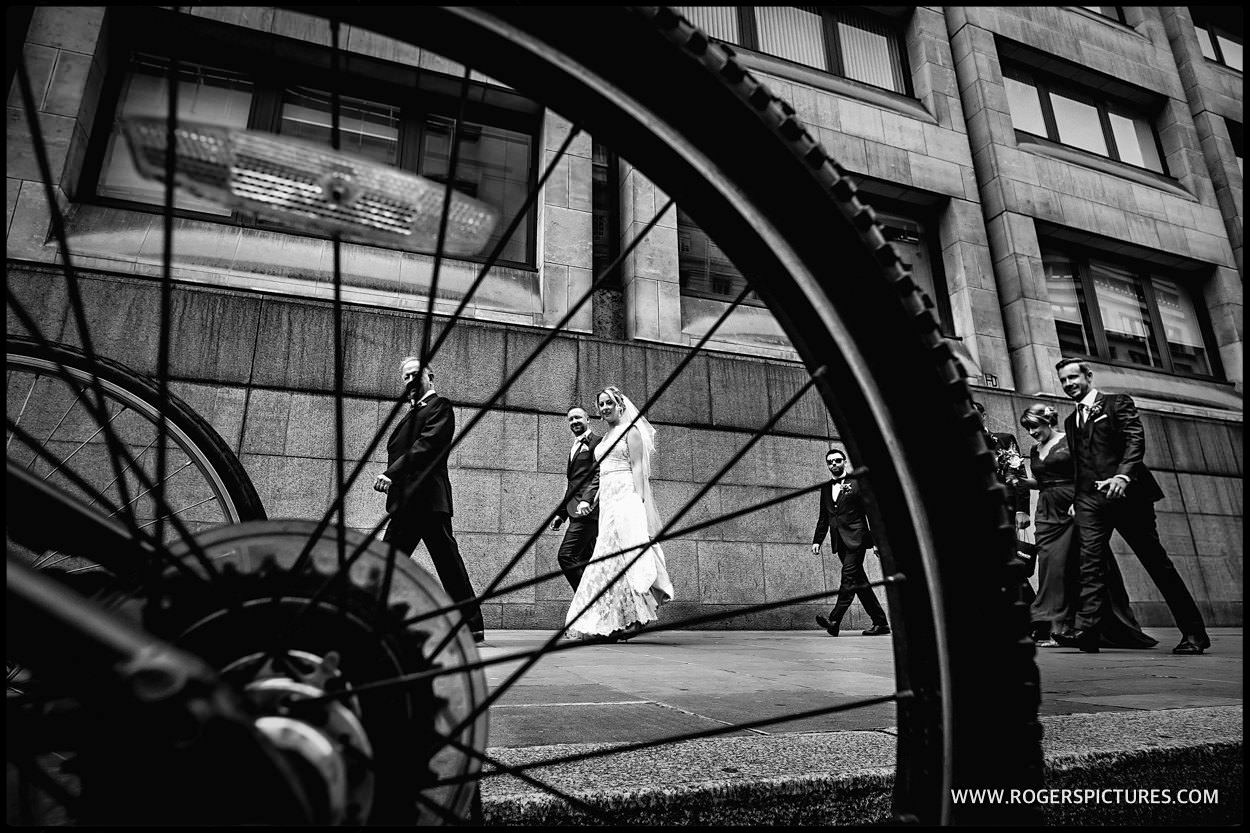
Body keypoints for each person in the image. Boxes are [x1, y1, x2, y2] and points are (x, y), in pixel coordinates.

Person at [1052, 358, 1209, 655]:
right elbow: (1080, 464)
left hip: (1129, 496)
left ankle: (1194, 633)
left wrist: (1123, 476)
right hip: (1090, 501)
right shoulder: (1071, 422)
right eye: (1063, 380)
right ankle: (1087, 630)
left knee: (1156, 562)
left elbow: (1134, 441)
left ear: (1088, 375)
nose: (1068, 384)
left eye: (1073, 377)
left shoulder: (1116, 403)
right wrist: (1077, 499)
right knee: (1090, 565)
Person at [1016, 403, 1156, 650]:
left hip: (1073, 504)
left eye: (1034, 426)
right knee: (1051, 564)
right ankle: (1052, 625)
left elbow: (1088, 472)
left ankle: (1078, 626)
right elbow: (1040, 482)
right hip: (1048, 511)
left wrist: (1081, 500)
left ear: (1048, 421)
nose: (1031, 433)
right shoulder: (1034, 449)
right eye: (1027, 429)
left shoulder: (1069, 440)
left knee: (1080, 564)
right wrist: (1018, 479)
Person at [374, 356, 484, 643]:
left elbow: (428, 446)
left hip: (428, 502)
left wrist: (392, 474)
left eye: (414, 375)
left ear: (430, 377)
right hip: (406, 504)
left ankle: (471, 624)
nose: (409, 381)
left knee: (448, 564)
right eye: (405, 378)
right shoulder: (410, 415)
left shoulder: (441, 407)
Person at [565, 386, 673, 640]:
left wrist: (639, 500)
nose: (604, 408)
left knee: (624, 555)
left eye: (609, 403)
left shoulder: (631, 432)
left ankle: (630, 616)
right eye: (601, 404)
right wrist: (592, 501)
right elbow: (601, 474)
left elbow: (638, 468)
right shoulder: (604, 438)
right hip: (608, 502)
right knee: (611, 559)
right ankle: (620, 618)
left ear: (620, 405)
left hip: (626, 497)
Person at [813, 448, 890, 637]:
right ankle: (881, 623)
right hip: (839, 541)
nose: (833, 464)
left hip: (857, 539)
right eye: (830, 462)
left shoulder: (857, 483)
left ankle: (834, 620)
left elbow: (870, 514)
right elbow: (824, 517)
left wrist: (875, 542)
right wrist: (817, 540)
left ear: (844, 462)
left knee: (848, 577)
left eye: (837, 461)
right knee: (859, 582)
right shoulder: (825, 488)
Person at [973, 400, 1035, 605]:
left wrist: (1022, 510)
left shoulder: (1003, 440)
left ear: (983, 416)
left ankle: (1037, 615)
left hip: (1004, 509)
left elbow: (1019, 476)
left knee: (1007, 558)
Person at [550, 406, 601, 590]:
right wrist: (561, 514)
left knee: (566, 556)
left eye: (578, 418)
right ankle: (594, 612)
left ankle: (589, 601)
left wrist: (587, 500)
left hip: (588, 512)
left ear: (588, 419)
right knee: (584, 563)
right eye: (570, 419)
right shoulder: (574, 447)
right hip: (574, 511)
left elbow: (599, 475)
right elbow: (574, 484)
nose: (574, 422)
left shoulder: (598, 443)